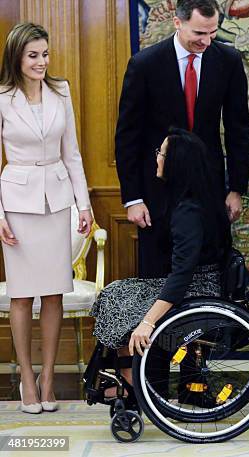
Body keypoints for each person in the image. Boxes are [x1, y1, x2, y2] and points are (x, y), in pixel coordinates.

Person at [115, 0, 249, 279]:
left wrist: (236, 188)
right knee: (159, 271)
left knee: (209, 268)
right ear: (178, 23)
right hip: (157, 187)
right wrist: (132, 198)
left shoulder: (228, 61)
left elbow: (238, 128)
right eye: (199, 34)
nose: (207, 41)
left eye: (212, 32)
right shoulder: (144, 64)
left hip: (209, 186)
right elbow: (128, 135)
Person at [91, 127, 231, 394]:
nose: (156, 158)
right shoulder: (192, 201)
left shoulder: (188, 212)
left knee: (120, 301)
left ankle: (132, 384)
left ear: (176, 162)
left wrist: (148, 322)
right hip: (196, 283)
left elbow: (182, 276)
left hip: (197, 290)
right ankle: (128, 376)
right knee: (116, 293)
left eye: (161, 153)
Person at [0, 23, 93, 414]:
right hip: (16, 205)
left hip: (57, 202)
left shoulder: (62, 91)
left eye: (45, 54)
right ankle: (26, 378)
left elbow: (71, 153)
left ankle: (49, 378)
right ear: (17, 58)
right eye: (33, 55)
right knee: (21, 296)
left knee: (54, 293)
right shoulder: (2, 98)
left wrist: (84, 204)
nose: (41, 62)